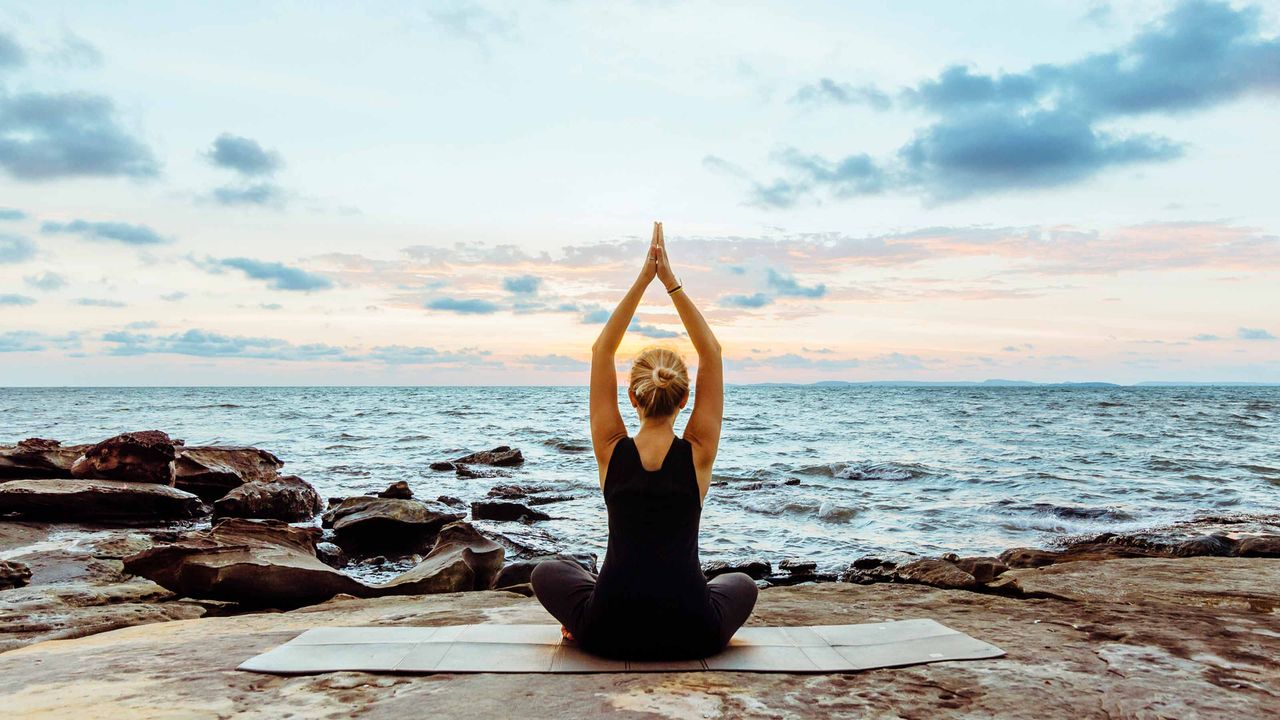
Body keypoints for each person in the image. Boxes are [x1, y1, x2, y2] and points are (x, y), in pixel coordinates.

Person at [531, 221, 758, 660]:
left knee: (546, 571)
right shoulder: (698, 452)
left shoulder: (611, 448)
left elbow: (602, 351)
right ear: (685, 397)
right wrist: (669, 282)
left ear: (631, 396)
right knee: (742, 584)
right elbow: (711, 351)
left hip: (608, 629)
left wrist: (643, 278)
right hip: (692, 629)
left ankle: (581, 623)